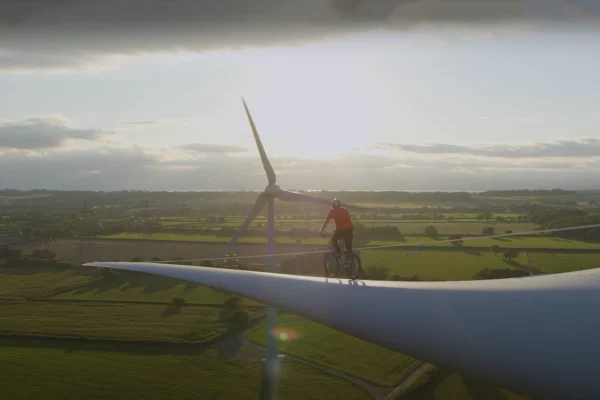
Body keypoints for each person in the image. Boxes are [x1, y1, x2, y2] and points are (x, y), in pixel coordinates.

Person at [319, 198, 354, 264]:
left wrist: (321, 230)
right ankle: (351, 260)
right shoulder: (345, 210)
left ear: (332, 205)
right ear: (340, 205)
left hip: (340, 230)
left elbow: (326, 222)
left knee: (333, 240)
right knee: (348, 245)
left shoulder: (332, 211)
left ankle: (338, 252)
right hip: (350, 229)